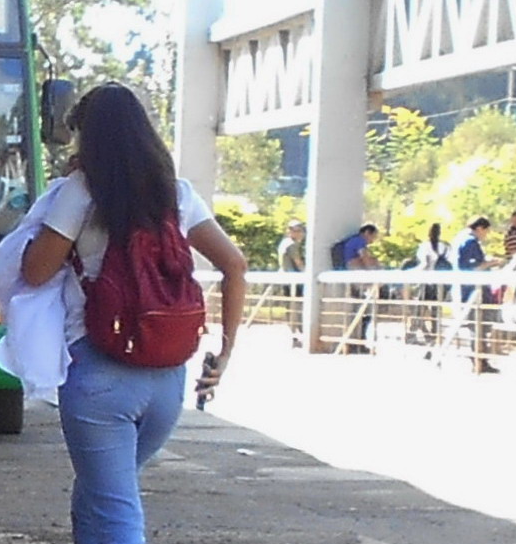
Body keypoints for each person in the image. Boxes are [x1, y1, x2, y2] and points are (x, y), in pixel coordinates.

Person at [20, 82, 248, 544]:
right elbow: (234, 264)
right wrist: (224, 353)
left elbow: (36, 272)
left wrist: (42, 228)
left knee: (115, 512)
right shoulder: (177, 194)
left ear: (88, 136)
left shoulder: (81, 191)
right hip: (167, 376)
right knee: (101, 494)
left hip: (99, 373)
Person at [453, 216, 502, 373]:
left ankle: (480, 359)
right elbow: (473, 268)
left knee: (476, 326)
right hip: (473, 290)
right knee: (479, 326)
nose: (485, 235)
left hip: (464, 289)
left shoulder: (459, 239)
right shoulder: (470, 242)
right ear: (480, 228)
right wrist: (492, 263)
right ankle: (479, 360)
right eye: (486, 231)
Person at [276, 220, 306, 346]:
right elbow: (298, 262)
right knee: (297, 307)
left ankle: (295, 334)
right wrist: (307, 273)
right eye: (296, 230)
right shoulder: (291, 245)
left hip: (286, 279)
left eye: (301, 231)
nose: (300, 234)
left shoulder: (284, 243)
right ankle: (297, 334)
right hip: (294, 280)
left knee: (291, 307)